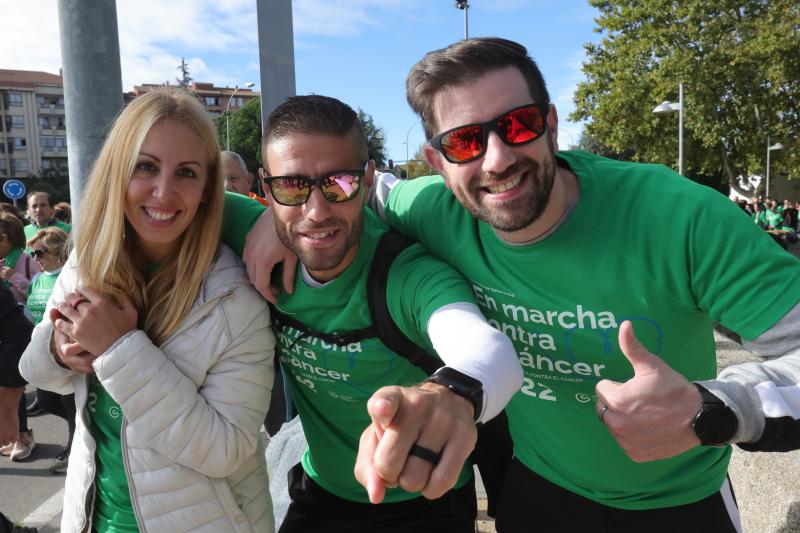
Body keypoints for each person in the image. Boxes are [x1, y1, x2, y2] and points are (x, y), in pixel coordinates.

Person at [243, 37, 800, 532]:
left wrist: (713, 407)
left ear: (551, 125)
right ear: (436, 161)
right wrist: (277, 217)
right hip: (539, 493)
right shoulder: (431, 208)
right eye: (464, 142)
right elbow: (352, 193)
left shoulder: (679, 218)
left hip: (681, 501)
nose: (498, 157)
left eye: (517, 125)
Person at [223, 94, 521, 532]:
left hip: (427, 502)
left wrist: (451, 395)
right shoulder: (249, 229)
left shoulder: (405, 273)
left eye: (339, 183)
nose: (316, 210)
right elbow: (154, 202)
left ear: (366, 179)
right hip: (321, 494)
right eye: (292, 186)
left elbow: (485, 348)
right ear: (266, 188)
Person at [19, 87, 276, 532]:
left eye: (187, 173)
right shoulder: (87, 264)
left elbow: (227, 449)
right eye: (146, 166)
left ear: (206, 188)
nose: (163, 192)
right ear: (117, 171)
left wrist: (119, 349)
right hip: (91, 520)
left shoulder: (234, 298)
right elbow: (35, 371)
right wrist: (60, 350)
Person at [26, 226, 74, 474]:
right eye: (33, 254)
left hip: (65, 355)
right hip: (43, 350)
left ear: (57, 252)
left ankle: (73, 447)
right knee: (46, 400)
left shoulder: (68, 278)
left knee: (71, 405)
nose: (36, 259)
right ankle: (77, 435)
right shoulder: (37, 279)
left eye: (40, 253)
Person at [0, 212, 40, 461]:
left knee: (12, 391)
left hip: (19, 329)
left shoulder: (25, 260)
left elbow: (35, 286)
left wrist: (12, 276)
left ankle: (21, 433)